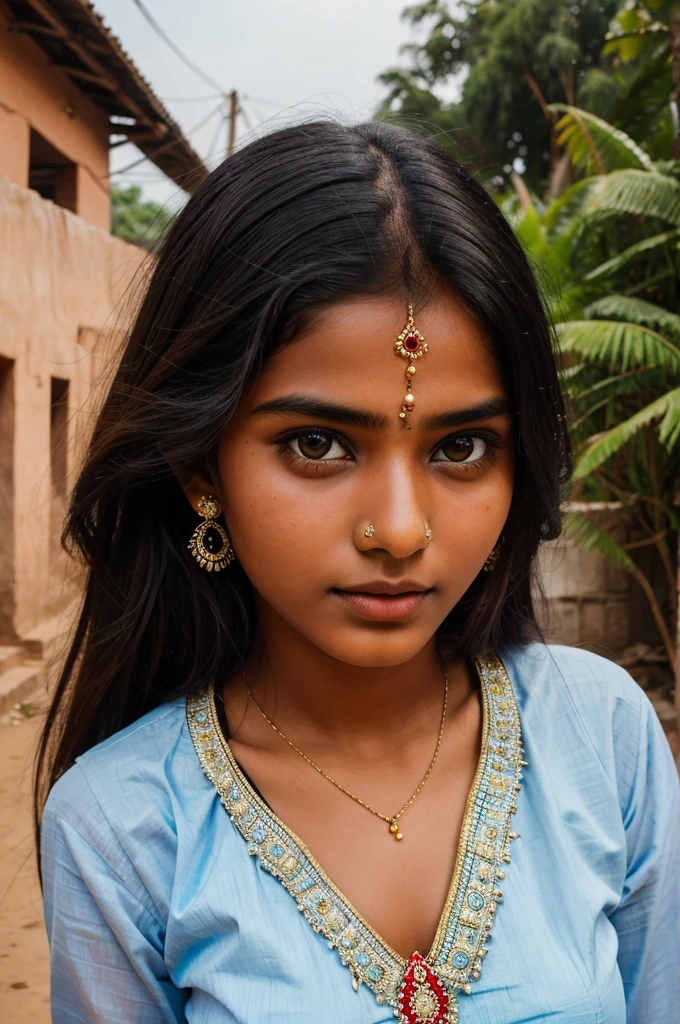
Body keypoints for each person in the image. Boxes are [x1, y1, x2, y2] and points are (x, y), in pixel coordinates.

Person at [35, 120, 679, 1024]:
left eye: (461, 447)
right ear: (199, 467)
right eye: (317, 444)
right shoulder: (121, 829)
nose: (400, 530)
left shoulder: (603, 739)